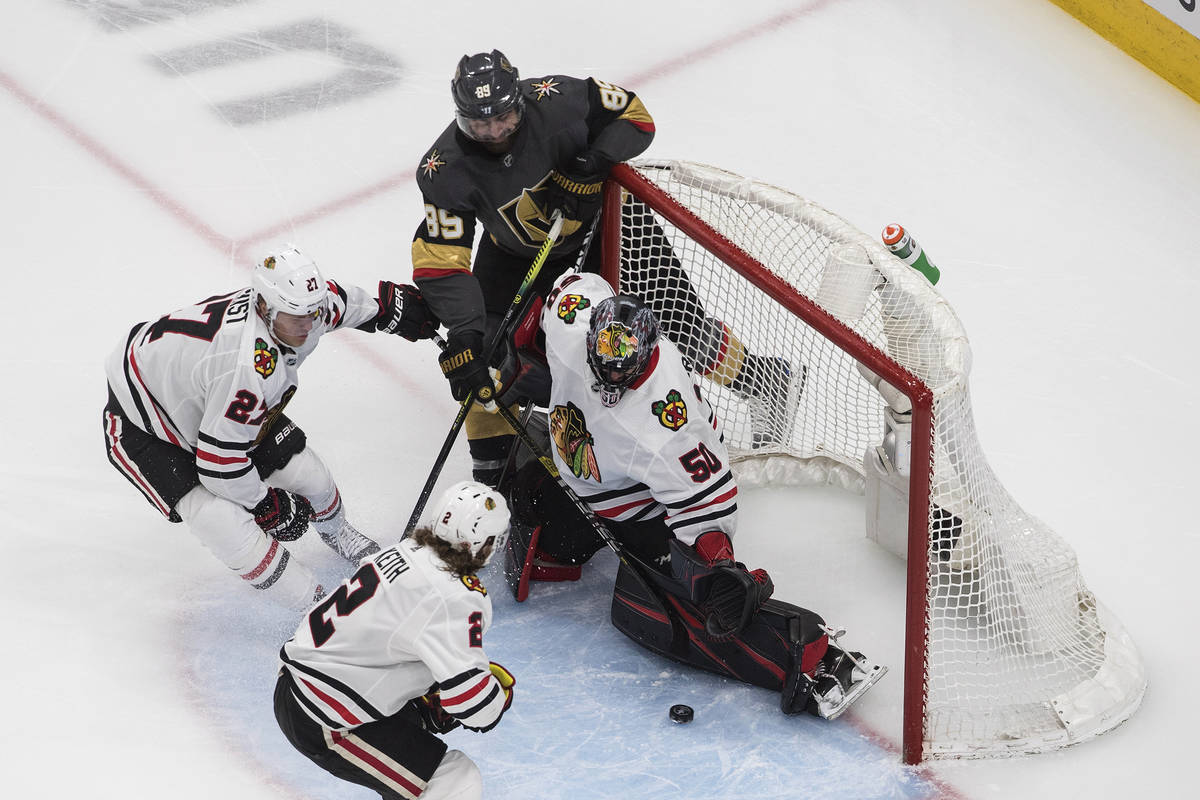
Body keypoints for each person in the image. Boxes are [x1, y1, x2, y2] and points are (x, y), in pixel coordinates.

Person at [503, 271, 885, 719]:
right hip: (586, 472)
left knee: (681, 606)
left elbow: (710, 504)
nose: (611, 364)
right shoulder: (574, 319)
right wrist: (504, 346)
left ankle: (805, 654)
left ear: (646, 350)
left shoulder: (668, 430)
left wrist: (718, 566)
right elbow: (569, 289)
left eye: (625, 354)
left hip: (642, 503)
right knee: (536, 533)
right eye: (605, 348)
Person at [411, 49, 794, 487]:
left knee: (674, 326)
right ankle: (492, 477)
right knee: (484, 355)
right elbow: (442, 258)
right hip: (516, 253)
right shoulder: (443, 170)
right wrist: (463, 329)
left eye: (503, 118)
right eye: (480, 124)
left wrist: (594, 162)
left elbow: (636, 115)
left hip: (612, 222)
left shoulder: (558, 100)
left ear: (518, 99)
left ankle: (764, 379)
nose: (495, 132)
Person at [102, 244, 438, 609]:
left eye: (313, 314)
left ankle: (339, 533)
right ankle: (317, 610)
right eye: (298, 318)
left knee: (310, 477)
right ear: (263, 307)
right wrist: (266, 506)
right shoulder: (246, 365)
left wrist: (389, 313)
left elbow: (345, 306)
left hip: (206, 399)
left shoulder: (301, 309)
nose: (309, 326)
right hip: (145, 425)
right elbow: (219, 466)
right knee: (222, 522)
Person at [274, 481, 515, 800]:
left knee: (414, 759)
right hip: (326, 718)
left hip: (301, 688)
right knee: (454, 779)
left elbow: (396, 638)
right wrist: (492, 693)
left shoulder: (405, 550)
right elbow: (474, 704)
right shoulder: (455, 596)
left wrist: (429, 693)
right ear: (479, 545)